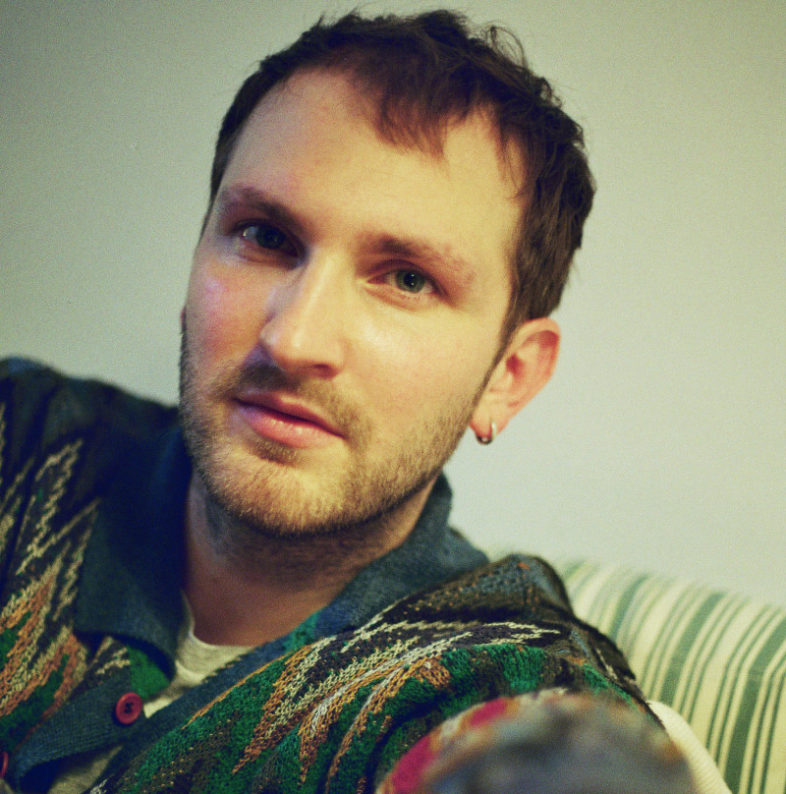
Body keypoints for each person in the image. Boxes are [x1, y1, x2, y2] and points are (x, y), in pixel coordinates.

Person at [0, 10, 727, 794]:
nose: (294, 340)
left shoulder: (509, 696)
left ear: (507, 377)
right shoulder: (22, 438)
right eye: (264, 236)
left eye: (408, 279)